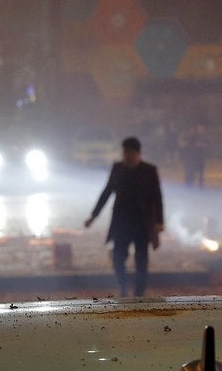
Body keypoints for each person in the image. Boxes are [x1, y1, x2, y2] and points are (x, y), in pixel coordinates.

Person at [84, 136, 164, 298]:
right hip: (122, 223)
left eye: (130, 152)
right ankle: (123, 285)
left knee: (141, 260)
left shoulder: (149, 171)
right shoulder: (118, 169)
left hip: (142, 223)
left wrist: (159, 221)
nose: (127, 155)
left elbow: (157, 197)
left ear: (138, 153)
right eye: (125, 152)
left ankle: (139, 292)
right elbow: (106, 193)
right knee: (118, 258)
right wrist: (93, 216)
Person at [179, 123, 209, 188]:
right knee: (189, 168)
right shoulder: (187, 136)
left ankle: (198, 179)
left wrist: (202, 145)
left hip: (198, 155)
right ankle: (189, 180)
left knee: (199, 168)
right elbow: (182, 144)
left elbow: (207, 144)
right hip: (190, 155)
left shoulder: (201, 136)